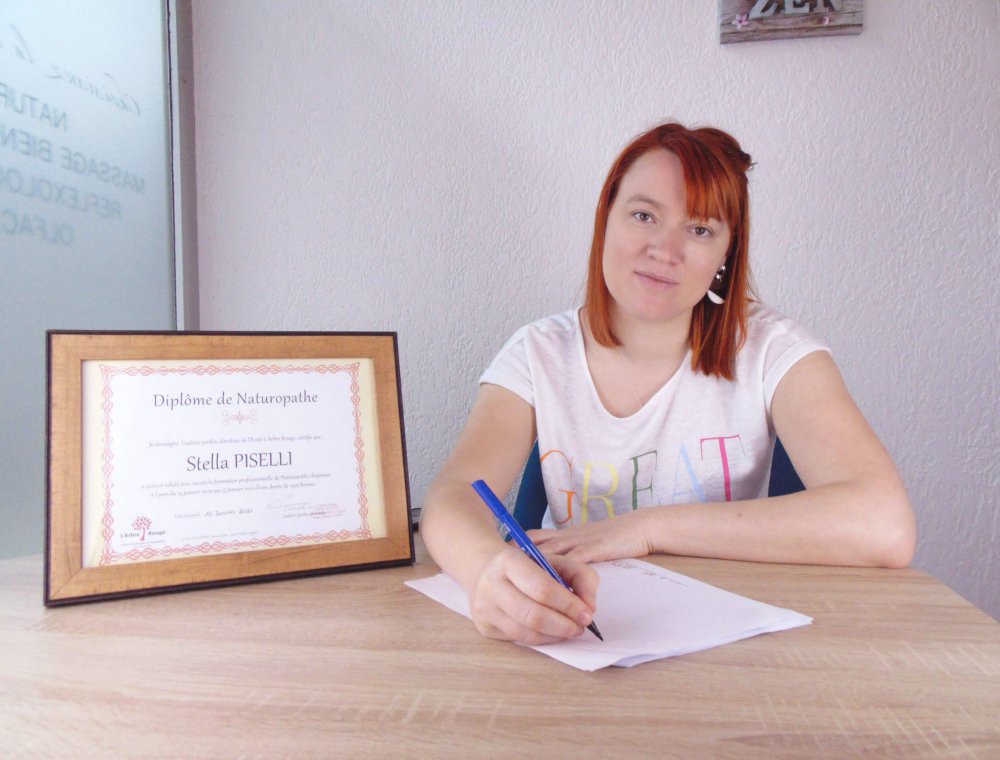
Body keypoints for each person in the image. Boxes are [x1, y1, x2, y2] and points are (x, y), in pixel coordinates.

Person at [419, 122, 916, 646]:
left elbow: (885, 524)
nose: (665, 249)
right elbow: (453, 499)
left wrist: (646, 530)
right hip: (581, 632)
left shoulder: (774, 349)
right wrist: (486, 573)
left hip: (729, 640)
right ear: (604, 222)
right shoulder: (537, 353)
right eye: (643, 215)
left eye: (700, 230)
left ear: (726, 255)